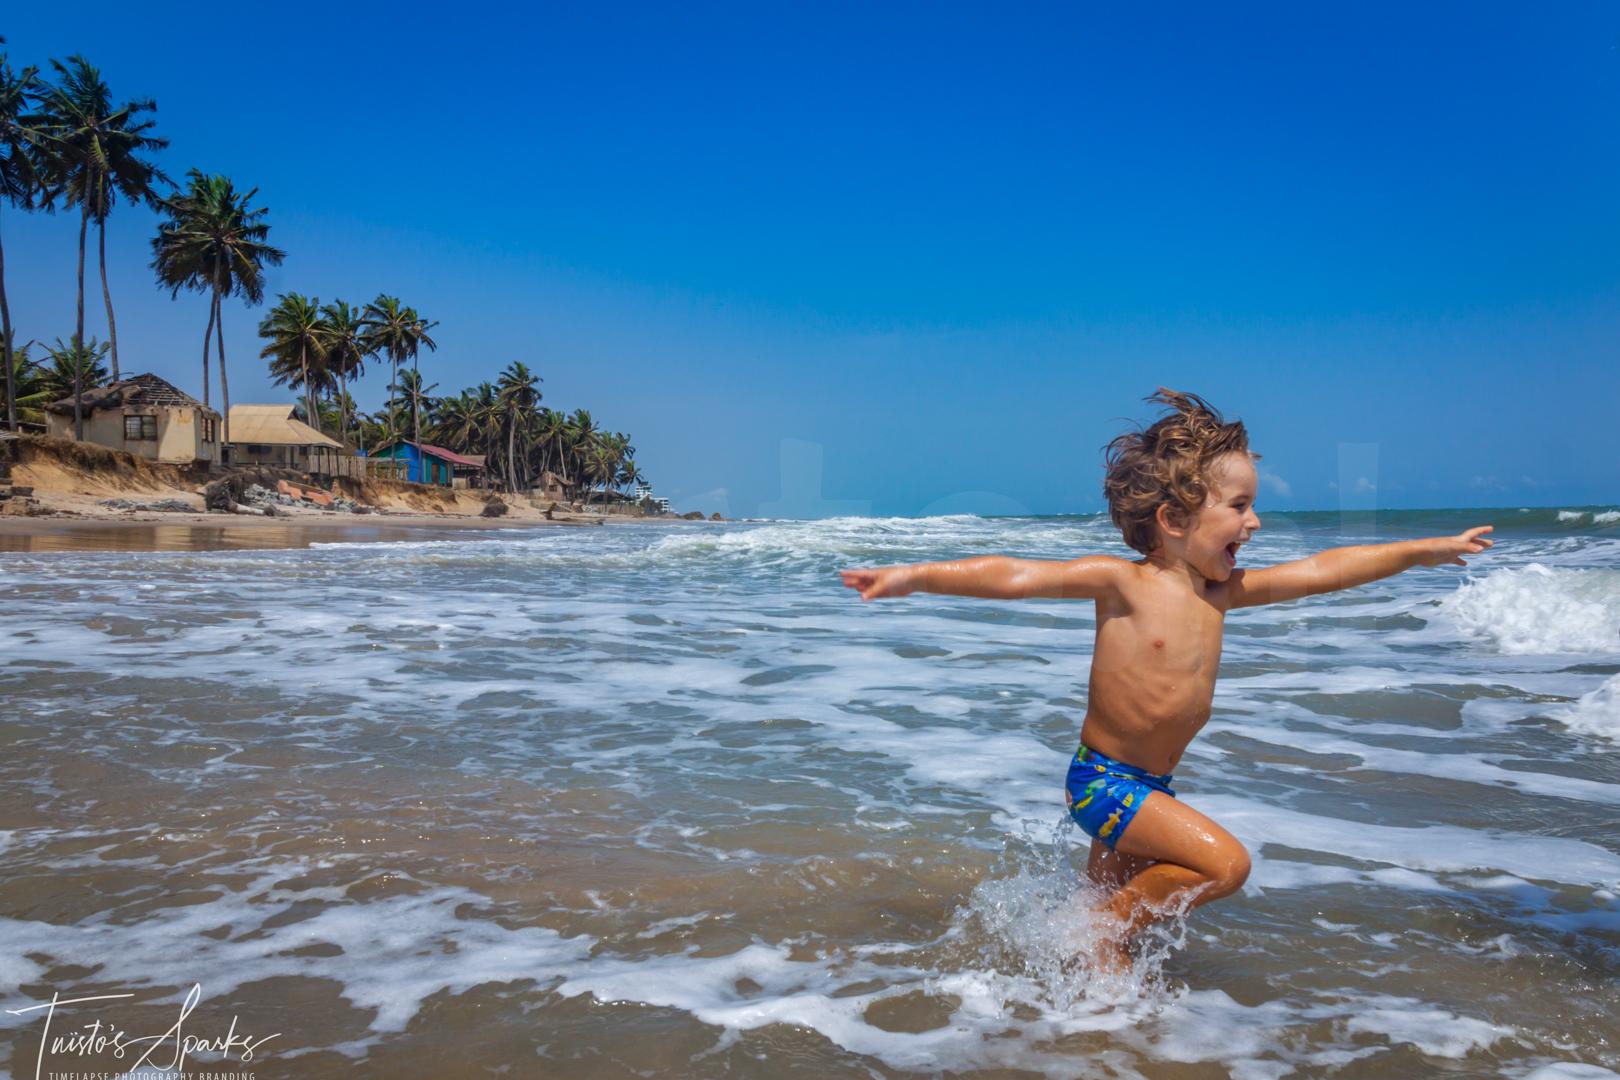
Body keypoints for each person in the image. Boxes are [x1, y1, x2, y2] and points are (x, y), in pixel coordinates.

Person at [838, 389, 1493, 969]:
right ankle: (1099, 930)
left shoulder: (1224, 593)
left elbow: (1326, 569)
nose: (1255, 522)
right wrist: (914, 576)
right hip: (1103, 782)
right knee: (1225, 867)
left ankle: (1093, 1018)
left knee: (1108, 953)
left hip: (1150, 784)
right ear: (1176, 519)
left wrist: (1423, 550)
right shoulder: (1123, 582)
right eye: (1239, 507)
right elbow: (1016, 573)